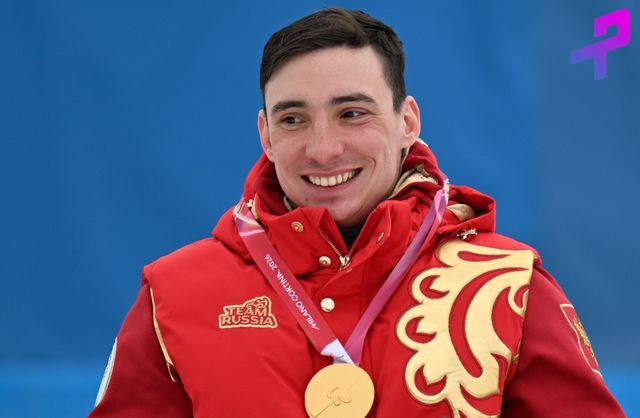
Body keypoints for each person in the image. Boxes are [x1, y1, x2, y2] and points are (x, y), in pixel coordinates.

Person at [88, 8, 625, 418]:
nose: (323, 149)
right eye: (293, 119)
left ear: (407, 121)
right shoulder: (176, 294)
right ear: (265, 134)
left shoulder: (509, 285)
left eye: (351, 113)